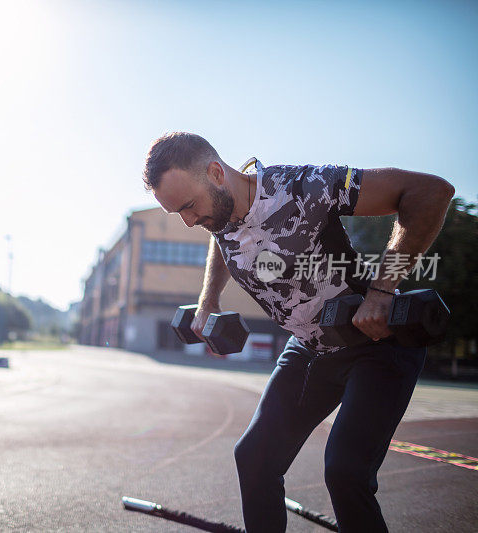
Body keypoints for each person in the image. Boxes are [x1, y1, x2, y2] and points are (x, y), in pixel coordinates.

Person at [142, 132, 454, 533]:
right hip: (310, 349)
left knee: (345, 471)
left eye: (189, 206)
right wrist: (208, 300)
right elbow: (222, 239)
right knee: (254, 458)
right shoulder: (218, 214)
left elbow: (431, 191)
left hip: (376, 344)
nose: (188, 221)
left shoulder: (305, 187)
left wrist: (382, 290)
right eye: (177, 214)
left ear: (216, 173)